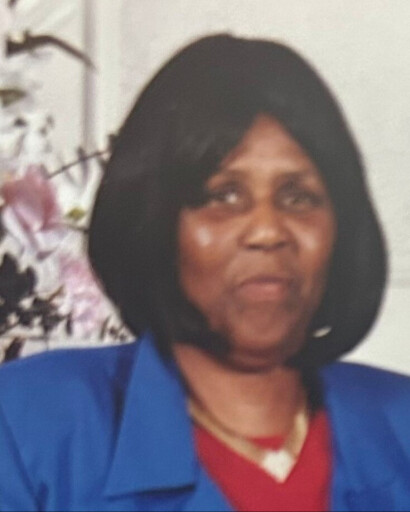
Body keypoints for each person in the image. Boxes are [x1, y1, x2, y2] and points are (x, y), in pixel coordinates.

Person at [0, 34, 409, 512]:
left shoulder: (400, 424)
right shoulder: (29, 426)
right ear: (153, 221)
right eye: (223, 195)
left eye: (298, 197)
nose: (268, 231)